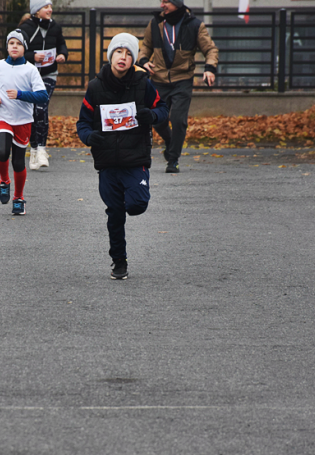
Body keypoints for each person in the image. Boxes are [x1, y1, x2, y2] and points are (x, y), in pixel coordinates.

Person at [76, 33, 168, 280]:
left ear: (133, 60)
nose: (123, 57)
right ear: (111, 56)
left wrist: (153, 115)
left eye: (129, 54)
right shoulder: (95, 87)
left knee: (137, 205)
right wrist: (88, 137)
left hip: (135, 159)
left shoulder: (143, 84)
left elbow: (163, 109)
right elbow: (83, 123)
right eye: (119, 52)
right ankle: (119, 261)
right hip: (106, 163)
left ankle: (134, 193)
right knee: (115, 213)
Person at [137, 0, 218, 173]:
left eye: (166, 1)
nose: (162, 5)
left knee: (178, 120)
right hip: (158, 80)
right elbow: (146, 47)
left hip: (182, 80)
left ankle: (173, 159)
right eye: (161, 1)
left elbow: (210, 50)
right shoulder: (155, 23)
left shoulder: (195, 25)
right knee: (157, 119)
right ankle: (170, 141)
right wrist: (143, 61)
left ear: (177, 3)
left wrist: (210, 68)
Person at [0, 29, 49, 215]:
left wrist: (20, 95)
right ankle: (4, 181)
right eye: (11, 43)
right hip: (3, 116)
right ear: (7, 46)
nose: (14, 46)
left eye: (19, 44)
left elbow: (43, 96)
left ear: (24, 48)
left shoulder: (30, 69)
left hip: (23, 120)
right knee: (3, 151)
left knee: (18, 162)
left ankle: (19, 198)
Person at [19, 0, 68, 171]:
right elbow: (17, 52)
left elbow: (62, 44)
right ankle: (33, 149)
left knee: (41, 107)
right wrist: (33, 57)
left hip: (49, 74)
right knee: (33, 111)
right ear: (36, 10)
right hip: (30, 76)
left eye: (50, 6)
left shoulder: (55, 27)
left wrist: (62, 54)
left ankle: (41, 148)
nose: (50, 9)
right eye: (46, 7)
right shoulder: (25, 28)